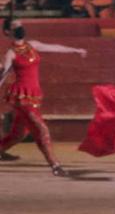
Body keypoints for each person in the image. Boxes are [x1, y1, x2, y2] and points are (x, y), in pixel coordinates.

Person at [0, 20, 88, 175]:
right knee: (42, 129)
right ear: (7, 32)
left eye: (20, 25)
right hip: (22, 96)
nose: (20, 28)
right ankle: (55, 165)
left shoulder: (32, 45)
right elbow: (4, 75)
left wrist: (75, 49)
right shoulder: (11, 53)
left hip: (33, 94)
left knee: (19, 134)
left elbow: (53, 47)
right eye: (15, 26)